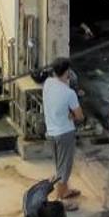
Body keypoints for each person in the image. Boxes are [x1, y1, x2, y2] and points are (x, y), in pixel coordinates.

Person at [42, 56, 84, 204]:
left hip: (51, 132)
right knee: (64, 169)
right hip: (65, 133)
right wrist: (72, 114)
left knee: (59, 165)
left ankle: (65, 191)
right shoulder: (69, 93)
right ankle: (60, 201)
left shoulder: (47, 84)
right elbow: (80, 116)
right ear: (67, 72)